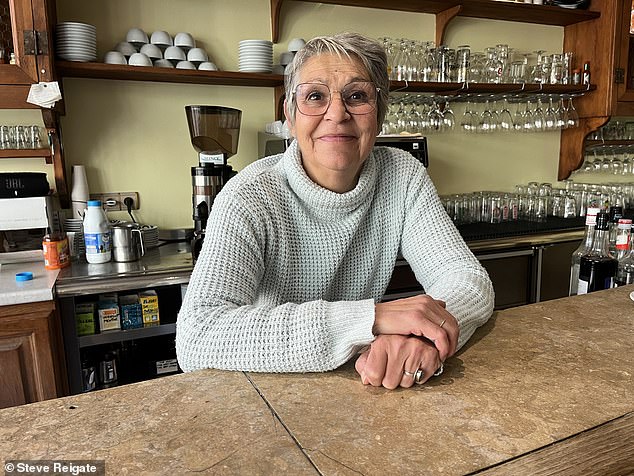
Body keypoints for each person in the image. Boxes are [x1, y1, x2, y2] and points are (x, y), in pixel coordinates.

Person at [176, 32, 494, 389]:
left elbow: (467, 279)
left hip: (367, 389)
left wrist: (421, 338)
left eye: (357, 96)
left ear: (380, 114)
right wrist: (370, 320)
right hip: (271, 392)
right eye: (315, 96)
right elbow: (198, 337)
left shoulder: (403, 177)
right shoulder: (249, 196)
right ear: (290, 115)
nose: (337, 114)